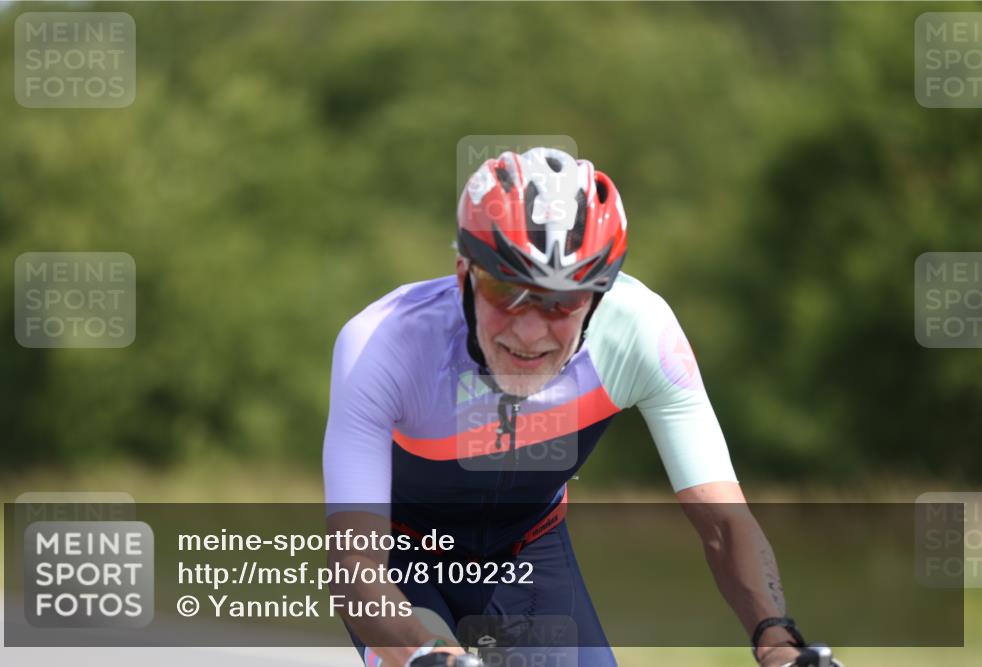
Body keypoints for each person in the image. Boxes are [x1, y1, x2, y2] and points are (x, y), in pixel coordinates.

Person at [323, 147, 816, 667]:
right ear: (464, 273)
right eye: (505, 290)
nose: (530, 331)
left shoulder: (640, 334)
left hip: (529, 553)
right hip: (402, 561)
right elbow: (355, 567)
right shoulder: (384, 344)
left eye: (563, 301)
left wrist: (780, 643)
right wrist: (429, 658)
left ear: (600, 295)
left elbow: (724, 523)